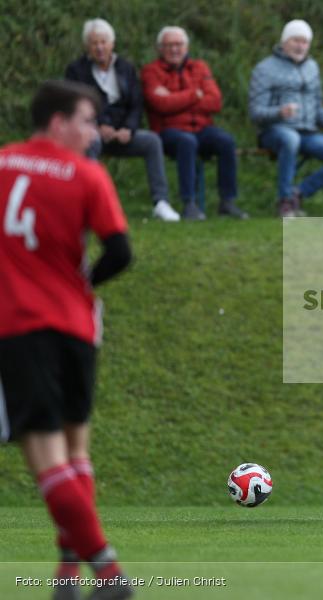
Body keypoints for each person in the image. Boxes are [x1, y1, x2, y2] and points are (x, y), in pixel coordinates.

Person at [0, 81, 133, 599]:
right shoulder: (86, 175)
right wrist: (82, 284)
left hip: (20, 327)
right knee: (76, 453)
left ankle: (107, 571)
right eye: (85, 121)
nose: (93, 133)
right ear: (57, 122)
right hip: (78, 329)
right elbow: (120, 252)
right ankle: (66, 575)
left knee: (46, 458)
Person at [65, 18, 179, 222]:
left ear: (112, 43)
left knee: (152, 141)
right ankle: (90, 204)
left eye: (103, 42)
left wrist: (129, 128)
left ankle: (161, 202)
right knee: (90, 141)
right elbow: (77, 105)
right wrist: (98, 126)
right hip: (93, 132)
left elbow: (136, 104)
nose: (99, 47)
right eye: (94, 43)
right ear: (87, 46)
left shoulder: (125, 68)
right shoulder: (76, 71)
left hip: (123, 133)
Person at [250, 19, 323, 218]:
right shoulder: (264, 69)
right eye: (295, 41)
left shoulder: (312, 67)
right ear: (284, 42)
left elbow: (316, 108)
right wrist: (280, 112)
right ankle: (285, 202)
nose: (300, 46)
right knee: (291, 139)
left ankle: (298, 193)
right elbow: (256, 112)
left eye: (305, 42)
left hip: (307, 132)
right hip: (274, 130)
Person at [142, 26, 247, 221]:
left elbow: (215, 101)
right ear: (160, 49)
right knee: (186, 142)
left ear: (187, 47)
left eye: (179, 45)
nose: (175, 50)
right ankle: (189, 203)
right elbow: (160, 105)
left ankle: (227, 201)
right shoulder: (151, 71)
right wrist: (194, 95)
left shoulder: (200, 67)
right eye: (169, 45)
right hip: (168, 130)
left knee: (226, 141)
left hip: (201, 127)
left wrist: (175, 98)